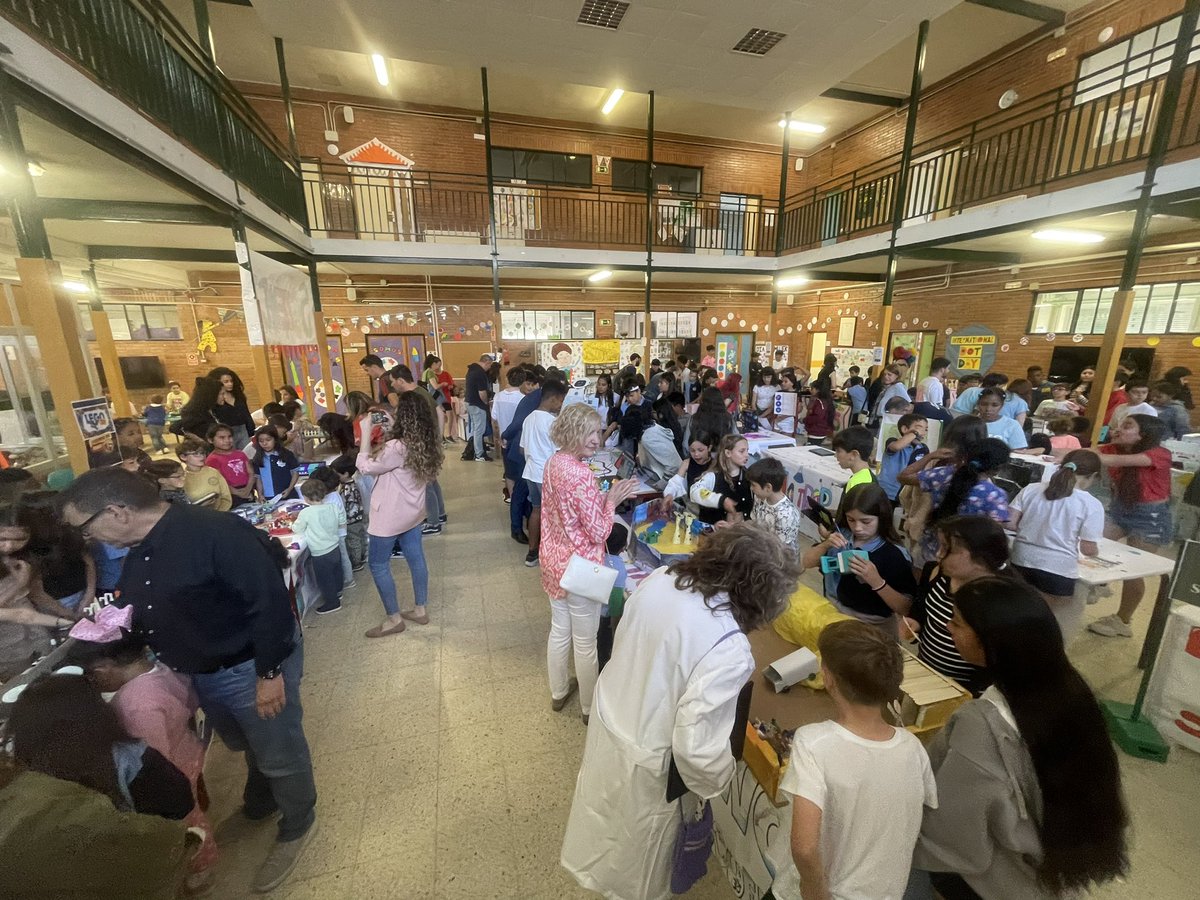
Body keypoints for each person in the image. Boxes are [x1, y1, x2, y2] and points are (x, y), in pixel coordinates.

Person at [58, 467, 318, 893]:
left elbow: (270, 604)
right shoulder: (140, 547)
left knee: (278, 747)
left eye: (85, 529)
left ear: (118, 511)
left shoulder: (215, 532)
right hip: (201, 670)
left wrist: (269, 674)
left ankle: (299, 821)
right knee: (245, 742)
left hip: (248, 665)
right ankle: (264, 796)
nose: (88, 540)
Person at [562, 523, 801, 899]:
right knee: (640, 873)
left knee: (604, 835)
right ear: (759, 596)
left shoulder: (662, 578)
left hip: (616, 724)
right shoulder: (729, 647)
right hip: (651, 767)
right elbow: (697, 751)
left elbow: (629, 642)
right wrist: (718, 780)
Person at [913, 579, 1129, 900]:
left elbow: (955, 837)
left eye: (956, 622)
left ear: (991, 642)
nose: (947, 627)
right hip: (1052, 872)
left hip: (990, 884)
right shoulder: (1071, 693)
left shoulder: (981, 723)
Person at [769, 621, 937, 900]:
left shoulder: (813, 743)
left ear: (830, 679)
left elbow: (804, 847)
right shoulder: (912, 746)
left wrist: (815, 893)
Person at [75, 623, 218, 893]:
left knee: (189, 822)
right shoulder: (160, 668)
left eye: (94, 675)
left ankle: (201, 868)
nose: (96, 681)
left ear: (105, 668)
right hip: (187, 749)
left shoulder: (137, 706)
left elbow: (154, 758)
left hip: (173, 768)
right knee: (194, 807)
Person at [539, 404, 639, 722]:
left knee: (559, 631)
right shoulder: (581, 474)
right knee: (585, 642)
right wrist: (610, 501)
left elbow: (565, 512)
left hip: (553, 559)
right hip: (580, 567)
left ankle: (558, 693)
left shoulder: (554, 462)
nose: (598, 439)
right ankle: (587, 707)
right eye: (592, 432)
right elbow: (599, 530)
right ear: (574, 431)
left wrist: (600, 499)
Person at [356, 390, 441, 638]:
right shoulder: (425, 440)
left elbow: (364, 467)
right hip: (413, 511)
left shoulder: (396, 446)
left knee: (378, 563)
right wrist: (394, 427)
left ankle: (393, 619)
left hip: (390, 516)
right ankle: (420, 608)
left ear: (404, 415)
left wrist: (364, 433)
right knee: (415, 557)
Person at [906, 516, 1013, 697]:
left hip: (961, 690)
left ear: (981, 557)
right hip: (924, 669)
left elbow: (997, 659)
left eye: (948, 549)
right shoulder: (937, 572)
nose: (939, 554)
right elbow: (921, 608)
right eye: (940, 546)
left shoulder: (999, 600)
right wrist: (915, 622)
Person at [1089, 415, 1173, 638]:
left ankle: (1123, 621)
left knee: (1133, 572)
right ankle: (1100, 584)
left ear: (1143, 434)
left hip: (1150, 517)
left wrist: (1088, 454)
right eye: (1120, 424)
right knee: (1093, 544)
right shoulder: (1113, 449)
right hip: (1120, 510)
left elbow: (1107, 461)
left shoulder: (1160, 454)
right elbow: (1092, 454)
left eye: (1127, 426)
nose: (1118, 428)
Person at [1008, 450, 1103, 640]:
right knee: (1052, 618)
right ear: (1093, 476)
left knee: (1018, 607)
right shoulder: (1091, 504)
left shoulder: (1031, 489)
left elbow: (1010, 522)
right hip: (1057, 570)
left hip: (1021, 558)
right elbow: (1087, 548)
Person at [803, 483, 916, 634]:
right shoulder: (841, 535)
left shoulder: (894, 554)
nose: (857, 528)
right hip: (831, 613)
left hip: (871, 628)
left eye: (866, 521)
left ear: (881, 518)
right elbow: (807, 562)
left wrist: (877, 582)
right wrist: (825, 544)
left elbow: (905, 607)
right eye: (851, 520)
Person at [903, 436, 1010, 566]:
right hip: (965, 559)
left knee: (924, 585)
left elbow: (904, 477)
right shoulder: (995, 495)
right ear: (997, 469)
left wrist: (930, 456)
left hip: (931, 547)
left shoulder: (943, 474)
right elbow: (994, 535)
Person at [521, 379, 567, 568]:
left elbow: (522, 449)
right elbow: (559, 452)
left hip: (531, 472)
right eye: (561, 401)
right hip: (547, 475)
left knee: (536, 510)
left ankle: (532, 553)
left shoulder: (529, 417)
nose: (561, 406)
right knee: (553, 516)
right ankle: (551, 555)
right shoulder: (552, 422)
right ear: (554, 399)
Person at [291, 479, 346, 615]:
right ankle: (338, 592)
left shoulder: (306, 513)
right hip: (334, 546)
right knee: (336, 572)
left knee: (324, 578)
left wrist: (294, 522)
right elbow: (342, 521)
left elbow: (297, 529)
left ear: (306, 498)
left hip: (320, 552)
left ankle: (332, 602)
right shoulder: (333, 506)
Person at [691, 433, 752, 525]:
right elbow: (694, 491)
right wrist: (721, 500)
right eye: (742, 451)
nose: (747, 455)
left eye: (747, 451)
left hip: (740, 531)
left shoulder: (749, 477)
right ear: (728, 453)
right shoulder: (713, 476)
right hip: (714, 531)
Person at [747, 457, 801, 550]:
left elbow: (780, 549)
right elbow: (754, 523)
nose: (751, 488)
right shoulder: (759, 497)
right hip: (761, 547)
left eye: (753, 485)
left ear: (768, 487)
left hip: (780, 559)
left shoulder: (786, 514)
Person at [330, 455, 367, 572]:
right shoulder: (354, 483)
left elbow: (343, 505)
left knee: (353, 541)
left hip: (351, 520)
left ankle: (356, 562)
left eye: (337, 474)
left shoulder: (346, 488)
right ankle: (362, 555)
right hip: (359, 517)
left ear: (345, 474)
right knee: (360, 537)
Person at [879, 413, 928, 501]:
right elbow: (896, 447)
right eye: (918, 428)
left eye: (925, 429)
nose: (922, 433)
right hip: (887, 492)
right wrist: (915, 433)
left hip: (907, 494)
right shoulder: (893, 441)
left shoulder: (923, 449)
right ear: (905, 429)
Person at [638, 397, 684, 489]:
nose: (652, 415)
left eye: (654, 412)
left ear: (661, 414)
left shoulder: (655, 433)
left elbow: (672, 464)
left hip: (668, 476)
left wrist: (663, 482)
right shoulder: (674, 425)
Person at [205, 424, 256, 507]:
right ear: (210, 440)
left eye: (229, 437)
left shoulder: (240, 454)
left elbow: (251, 473)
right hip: (229, 493)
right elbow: (219, 481)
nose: (227, 440)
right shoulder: (212, 459)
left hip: (248, 490)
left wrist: (247, 490)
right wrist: (239, 494)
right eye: (222, 438)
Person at [175, 439, 231, 511]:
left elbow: (226, 496)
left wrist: (220, 513)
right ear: (183, 457)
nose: (201, 457)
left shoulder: (213, 472)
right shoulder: (182, 478)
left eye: (202, 453)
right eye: (196, 454)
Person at [251, 426, 299, 503]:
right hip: (268, 497)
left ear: (275, 439)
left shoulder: (286, 454)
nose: (265, 443)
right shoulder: (258, 458)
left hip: (288, 495)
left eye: (268, 440)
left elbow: (295, 473)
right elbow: (258, 479)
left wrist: (289, 489)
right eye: (261, 441)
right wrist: (260, 494)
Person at [462, 355, 493, 461]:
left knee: (476, 429)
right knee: (479, 430)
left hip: (469, 402)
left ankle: (478, 451)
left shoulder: (471, 370)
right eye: (490, 365)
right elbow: (482, 393)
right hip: (477, 404)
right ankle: (479, 454)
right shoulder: (480, 373)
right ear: (487, 362)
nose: (489, 368)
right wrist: (486, 403)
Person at [831, 426, 876, 494]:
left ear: (854, 454)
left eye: (838, 451)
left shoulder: (856, 484)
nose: (835, 455)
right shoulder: (868, 477)